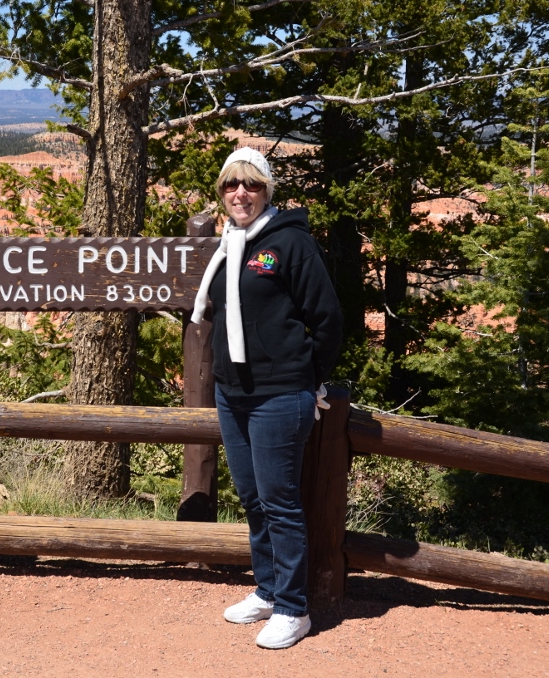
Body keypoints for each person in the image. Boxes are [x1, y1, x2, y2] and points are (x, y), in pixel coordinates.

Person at [191, 147, 342, 650]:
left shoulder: (291, 242)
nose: (241, 193)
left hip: (279, 395)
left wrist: (308, 380)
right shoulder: (230, 243)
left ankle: (294, 609)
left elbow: (327, 320)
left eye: (251, 185)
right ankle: (268, 588)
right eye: (232, 185)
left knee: (280, 502)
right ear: (222, 193)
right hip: (233, 393)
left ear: (267, 190)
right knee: (253, 499)